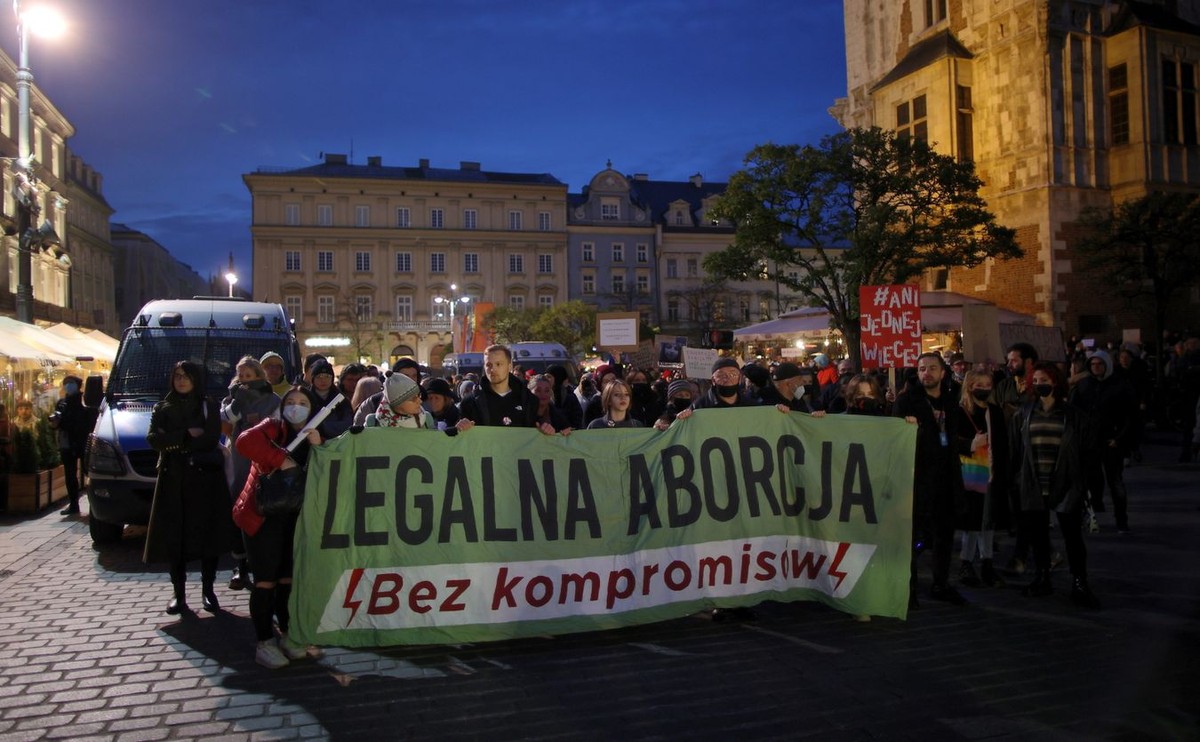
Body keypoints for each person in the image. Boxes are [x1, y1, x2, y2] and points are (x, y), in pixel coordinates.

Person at [234, 388, 326, 668]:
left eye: (302, 403)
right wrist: (281, 460)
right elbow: (244, 442)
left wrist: (319, 445)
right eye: (290, 402)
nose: (296, 408)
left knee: (288, 578)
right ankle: (264, 641)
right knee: (265, 581)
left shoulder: (314, 435)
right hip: (261, 517)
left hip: (293, 518)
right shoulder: (272, 428)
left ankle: (288, 634)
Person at [144, 361, 232, 615]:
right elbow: (153, 439)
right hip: (174, 479)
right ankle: (178, 593)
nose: (181, 380)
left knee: (207, 534)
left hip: (205, 478)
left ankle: (208, 590)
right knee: (175, 535)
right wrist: (184, 436)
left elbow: (209, 437)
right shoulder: (163, 407)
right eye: (177, 376)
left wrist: (173, 439)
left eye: (187, 376)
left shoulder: (209, 405)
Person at [1010, 362, 1100, 608]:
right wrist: (1018, 479)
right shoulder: (1024, 413)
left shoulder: (1074, 415)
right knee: (1038, 536)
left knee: (1072, 536)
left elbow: (1088, 452)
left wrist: (1087, 485)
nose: (1040, 384)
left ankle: (1079, 581)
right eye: (1036, 381)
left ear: (1056, 383)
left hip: (1066, 482)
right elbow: (1016, 451)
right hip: (1033, 482)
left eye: (1045, 380)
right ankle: (1042, 576)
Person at [893, 353, 967, 607]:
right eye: (922, 368)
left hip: (946, 477)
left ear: (943, 372)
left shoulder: (950, 401)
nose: (927, 373)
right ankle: (908, 587)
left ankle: (941, 582)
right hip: (919, 476)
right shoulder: (907, 401)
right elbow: (896, 437)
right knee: (914, 535)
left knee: (944, 535)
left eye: (932, 368)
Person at [220, 356, 281, 591]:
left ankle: (261, 561)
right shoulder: (232, 397)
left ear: (258, 375)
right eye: (242, 376)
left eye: (249, 376)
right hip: (239, 456)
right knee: (239, 502)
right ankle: (240, 562)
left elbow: (276, 424)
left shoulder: (272, 398)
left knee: (261, 503)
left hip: (263, 456)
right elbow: (227, 419)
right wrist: (237, 403)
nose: (245, 380)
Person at [951, 369, 1009, 588]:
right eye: (979, 384)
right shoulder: (962, 411)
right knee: (972, 522)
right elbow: (951, 441)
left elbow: (1002, 443)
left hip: (993, 473)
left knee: (988, 521)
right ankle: (967, 562)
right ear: (970, 386)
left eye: (987, 384)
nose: (984, 388)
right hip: (971, 474)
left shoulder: (995, 411)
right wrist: (970, 444)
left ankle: (987, 562)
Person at [1070, 350, 1137, 533]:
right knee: (1091, 479)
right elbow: (1075, 412)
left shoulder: (1120, 386)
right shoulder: (1085, 385)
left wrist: (1119, 438)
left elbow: (1130, 416)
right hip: (1090, 442)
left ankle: (1121, 520)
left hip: (1111, 441)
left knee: (1115, 481)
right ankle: (1093, 513)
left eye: (1100, 364)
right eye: (1093, 364)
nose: (1096, 367)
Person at [456, 345, 556, 434]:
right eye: (488, 365)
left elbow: (545, 432)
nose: (493, 369)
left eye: (498, 364)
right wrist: (460, 427)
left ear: (509, 366)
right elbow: (458, 440)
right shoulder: (470, 403)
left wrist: (549, 430)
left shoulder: (530, 400)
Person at [50, 375, 98, 516]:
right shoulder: (61, 403)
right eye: (66, 383)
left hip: (83, 442)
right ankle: (74, 504)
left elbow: (86, 424)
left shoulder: (85, 403)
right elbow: (59, 424)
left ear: (78, 386)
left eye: (71, 383)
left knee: (89, 473)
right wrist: (55, 423)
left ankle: (93, 505)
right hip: (67, 443)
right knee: (70, 475)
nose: (68, 386)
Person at [366, 373, 434, 428]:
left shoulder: (426, 420)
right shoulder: (373, 422)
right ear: (398, 403)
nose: (420, 401)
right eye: (413, 399)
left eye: (419, 395)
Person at [545, 364, 584, 430]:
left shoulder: (570, 397)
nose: (546, 379)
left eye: (549, 377)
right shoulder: (543, 395)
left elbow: (577, 419)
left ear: (558, 378)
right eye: (545, 377)